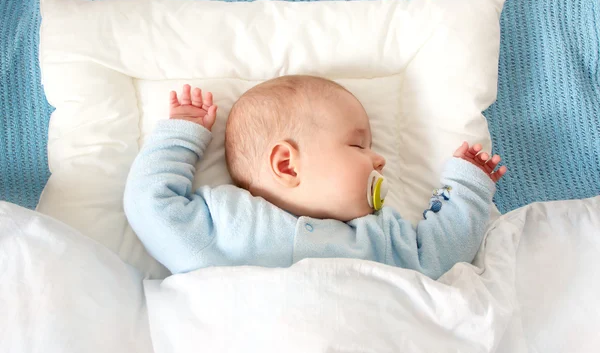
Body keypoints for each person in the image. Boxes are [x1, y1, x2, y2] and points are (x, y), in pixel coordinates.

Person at [124, 75, 507, 279]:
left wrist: (468, 187)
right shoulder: (223, 225)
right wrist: (182, 135)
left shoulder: (380, 240)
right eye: (358, 147)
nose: (380, 161)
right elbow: (149, 204)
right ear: (287, 165)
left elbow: (439, 258)